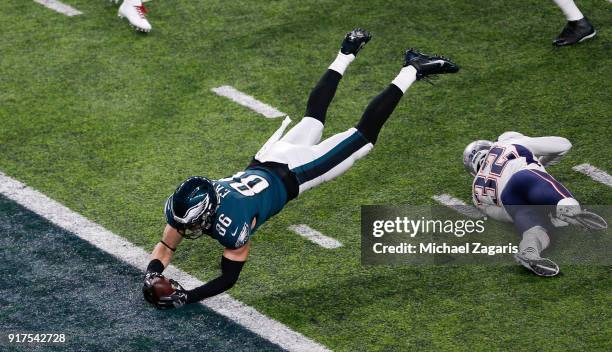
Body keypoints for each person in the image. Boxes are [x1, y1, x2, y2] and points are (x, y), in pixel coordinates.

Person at [142, 28, 459, 309]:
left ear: (208, 211)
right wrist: (151, 276)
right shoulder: (193, 206)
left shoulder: (233, 225)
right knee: (313, 118)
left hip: (295, 173)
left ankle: (411, 70)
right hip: (268, 157)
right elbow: (168, 244)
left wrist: (188, 297)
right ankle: (346, 51)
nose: (187, 228)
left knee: (363, 138)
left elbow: (228, 279)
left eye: (193, 221)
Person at [463, 132, 607, 277]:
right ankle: (570, 212)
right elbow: (563, 145)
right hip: (522, 177)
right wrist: (537, 160)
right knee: (550, 191)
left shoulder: (476, 191)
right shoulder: (507, 144)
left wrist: (537, 214)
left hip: (509, 200)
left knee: (535, 230)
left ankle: (530, 252)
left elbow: (502, 214)